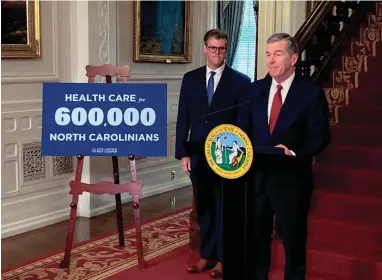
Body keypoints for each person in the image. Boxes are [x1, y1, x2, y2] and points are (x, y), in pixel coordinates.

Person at [237, 33, 331, 279]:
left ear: (294, 58)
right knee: (256, 240)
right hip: (256, 178)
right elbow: (242, 131)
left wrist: (295, 152)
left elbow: (320, 136)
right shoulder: (252, 91)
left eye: (277, 54)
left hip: (291, 179)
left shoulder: (310, 93)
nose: (270, 60)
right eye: (268, 54)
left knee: (293, 241)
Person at [175, 29, 251, 278]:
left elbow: (243, 125)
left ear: (226, 49)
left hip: (227, 157)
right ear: (205, 48)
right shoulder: (190, 79)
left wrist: (237, 158)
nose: (218, 53)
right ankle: (206, 256)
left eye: (222, 48)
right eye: (213, 48)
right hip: (197, 156)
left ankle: (223, 260)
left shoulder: (241, 82)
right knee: (204, 208)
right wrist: (183, 154)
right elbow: (182, 118)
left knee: (224, 209)